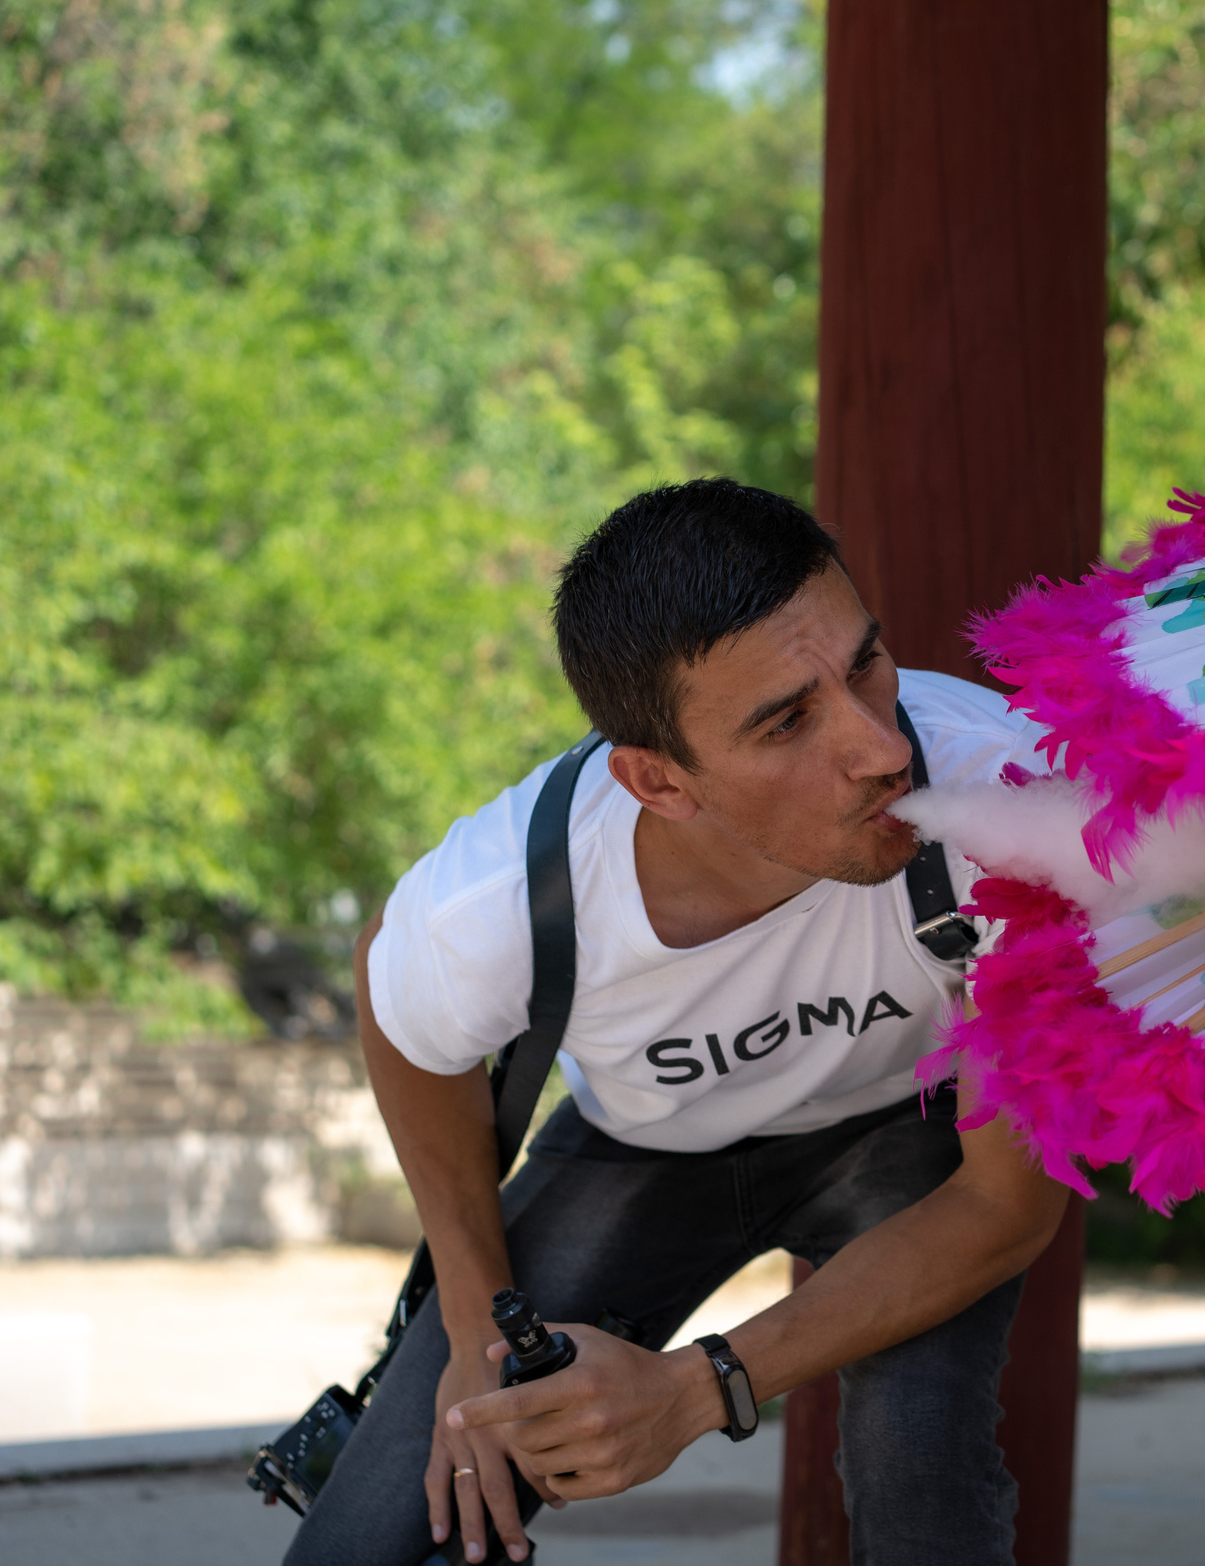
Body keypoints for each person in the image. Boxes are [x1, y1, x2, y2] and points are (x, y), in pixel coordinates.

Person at [286, 478, 1069, 1566]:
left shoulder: (1018, 803)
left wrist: (699, 1390)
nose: (880, 748)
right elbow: (398, 1002)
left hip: (913, 1126)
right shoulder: (503, 899)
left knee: (920, 1468)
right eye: (787, 722)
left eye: (864, 667)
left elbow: (1003, 1204)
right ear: (659, 782)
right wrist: (475, 1323)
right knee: (388, 1536)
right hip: (645, 1144)